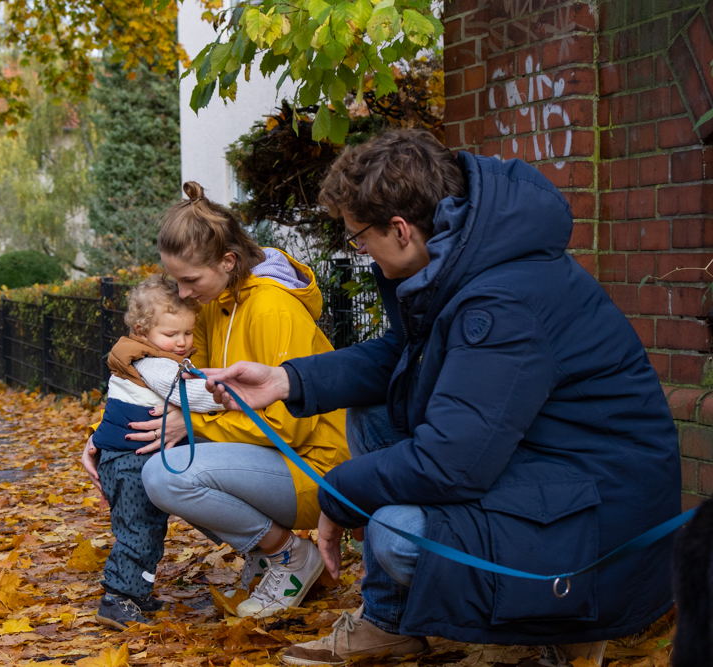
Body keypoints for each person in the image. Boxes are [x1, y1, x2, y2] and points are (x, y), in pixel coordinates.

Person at [202, 130, 681, 666]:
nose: (360, 251)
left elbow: (450, 464)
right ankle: (390, 623)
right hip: (551, 471)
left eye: (359, 237)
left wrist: (337, 496)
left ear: (401, 230)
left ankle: (565, 625)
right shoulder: (468, 263)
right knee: (376, 414)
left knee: (396, 533)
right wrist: (286, 381)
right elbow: (403, 356)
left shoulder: (499, 304)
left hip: (601, 519)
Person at [82, 182, 350, 619]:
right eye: (176, 281)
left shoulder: (272, 310)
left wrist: (194, 426)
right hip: (265, 457)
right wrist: (107, 437)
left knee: (168, 475)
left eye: (190, 280)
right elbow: (178, 389)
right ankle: (274, 554)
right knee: (153, 460)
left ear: (228, 261)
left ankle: (289, 555)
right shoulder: (211, 306)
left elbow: (289, 425)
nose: (183, 293)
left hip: (314, 466)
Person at [89, 275, 225, 630]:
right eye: (171, 334)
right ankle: (117, 599)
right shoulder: (154, 364)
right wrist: (228, 396)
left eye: (187, 333)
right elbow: (189, 396)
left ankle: (137, 594)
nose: (181, 342)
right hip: (130, 463)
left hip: (127, 458)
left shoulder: (144, 354)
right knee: (138, 532)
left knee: (148, 529)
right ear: (142, 329)